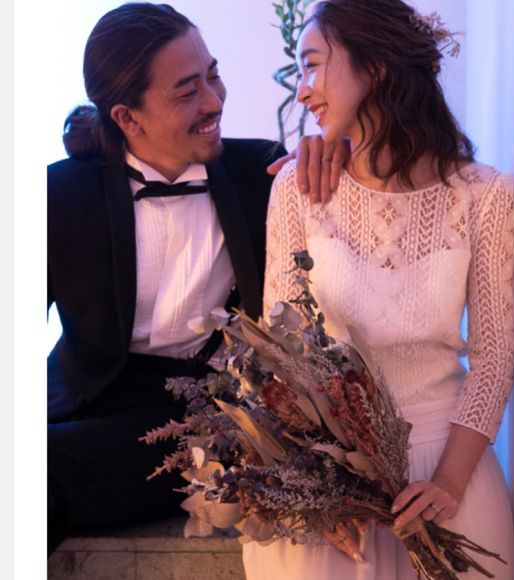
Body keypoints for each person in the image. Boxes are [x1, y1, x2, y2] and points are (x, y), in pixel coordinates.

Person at [47, 2, 344, 556]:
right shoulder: (58, 194)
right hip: (84, 399)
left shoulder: (265, 175)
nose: (214, 101)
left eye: (213, 75)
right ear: (127, 118)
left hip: (201, 418)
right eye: (187, 91)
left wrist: (339, 151)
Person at [245, 1, 514, 578]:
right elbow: (280, 354)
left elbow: (495, 358)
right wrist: (318, 484)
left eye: (313, 64)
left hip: (452, 471)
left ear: (375, 67)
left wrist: (447, 484)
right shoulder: (297, 189)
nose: (303, 89)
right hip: (334, 484)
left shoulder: (485, 196)